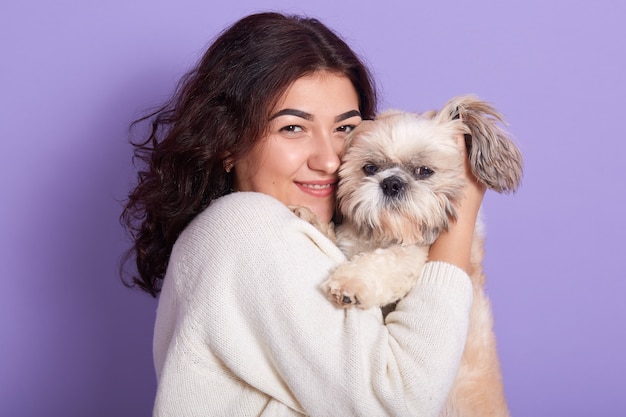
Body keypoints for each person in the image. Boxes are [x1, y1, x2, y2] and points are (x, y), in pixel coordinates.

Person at [121, 11, 486, 417]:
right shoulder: (249, 228)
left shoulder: (269, 234)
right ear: (227, 144)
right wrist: (462, 209)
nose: (329, 160)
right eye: (293, 128)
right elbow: (400, 404)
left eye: (345, 129)